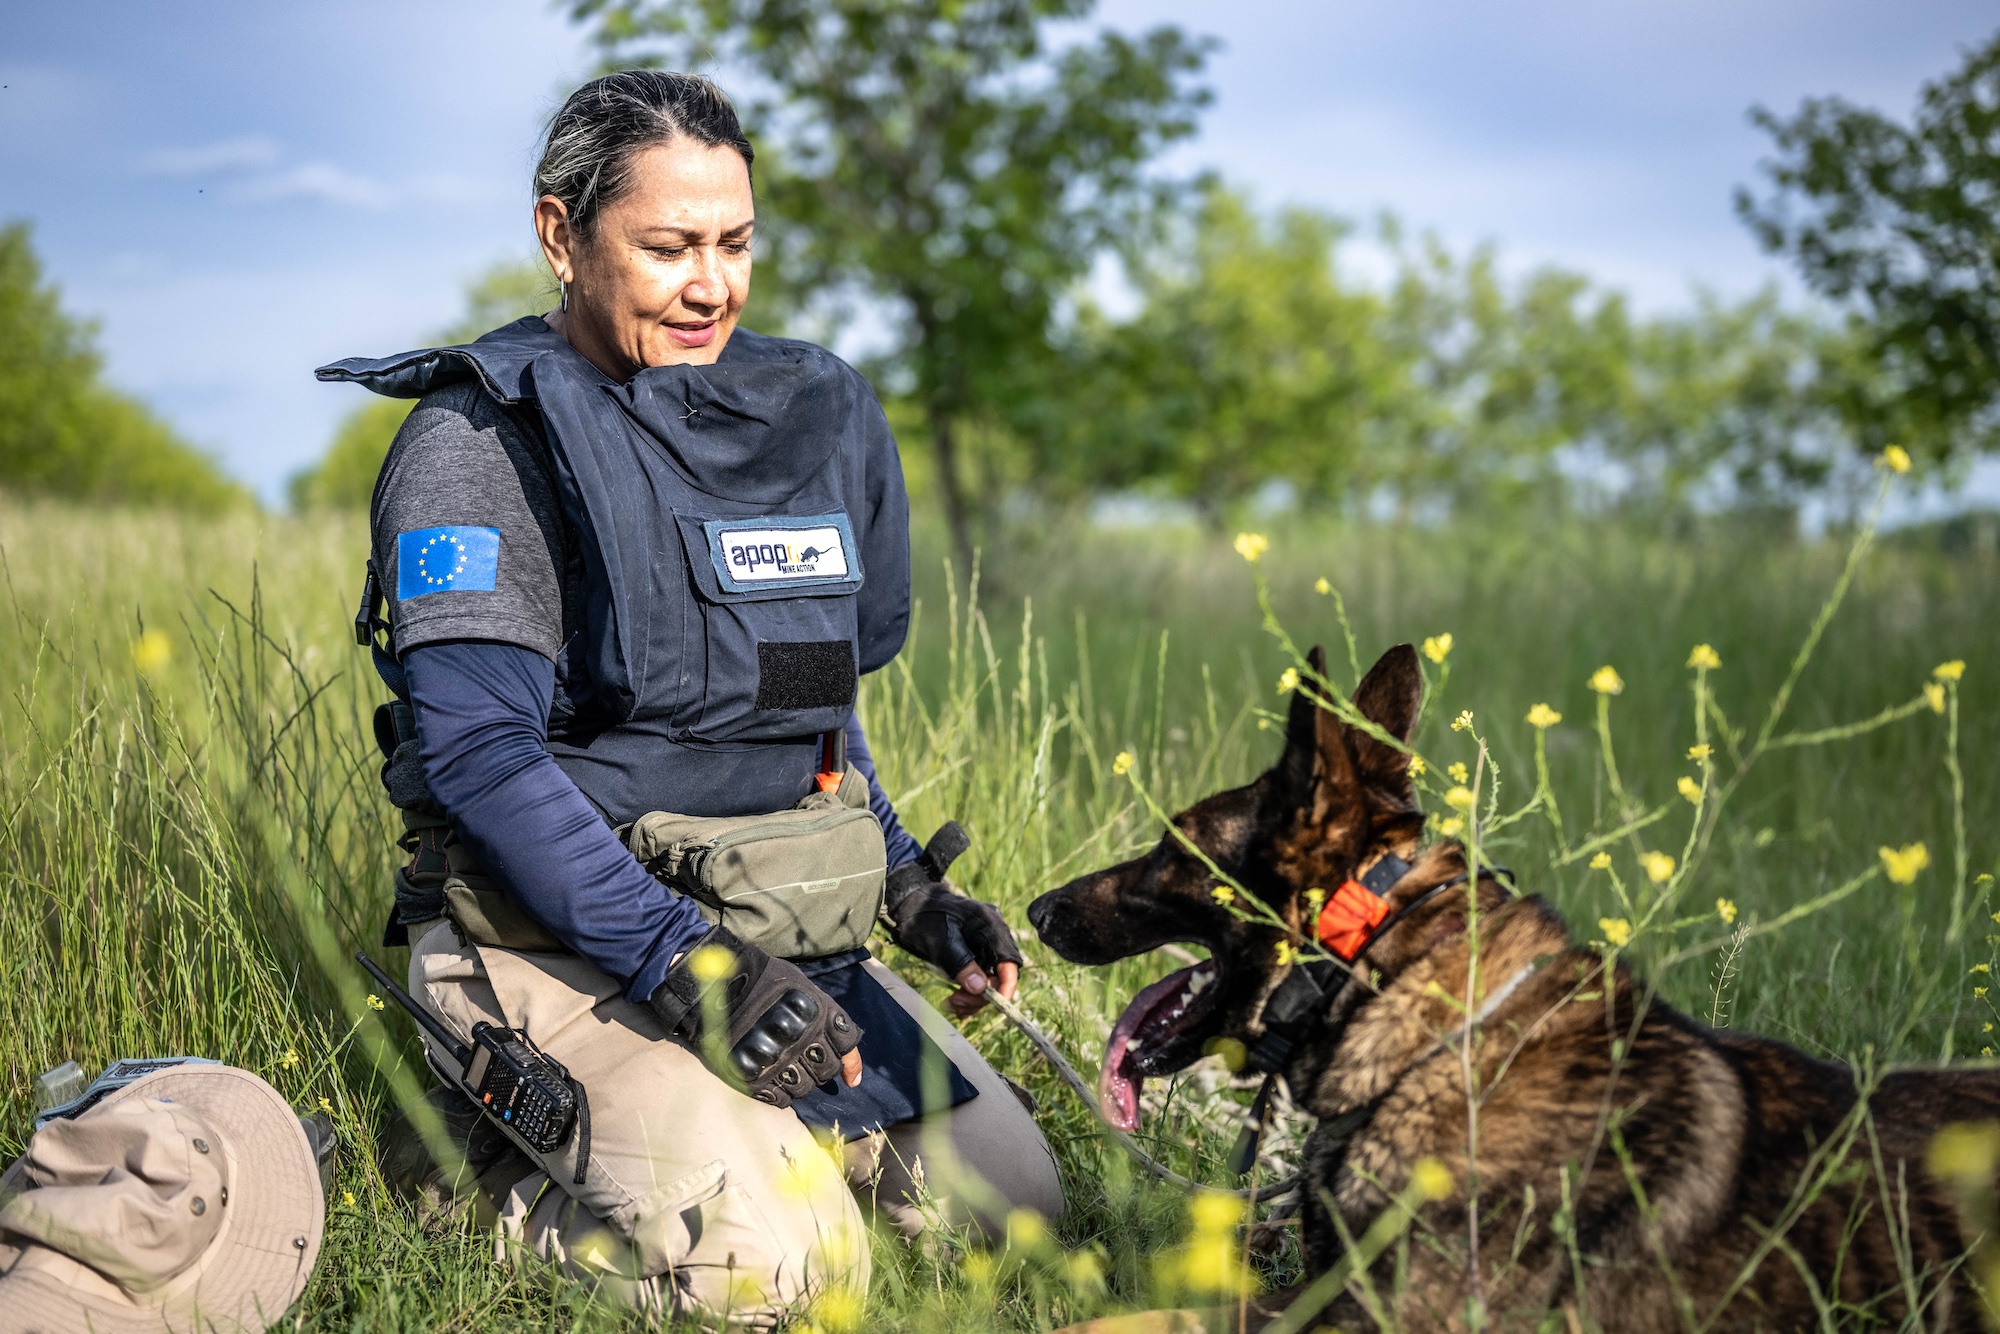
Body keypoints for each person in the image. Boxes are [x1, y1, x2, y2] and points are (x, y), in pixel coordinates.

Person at [317, 70, 1063, 1325]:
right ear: (560, 235)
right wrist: (687, 966)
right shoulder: (479, 447)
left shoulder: (798, 416)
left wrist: (910, 889)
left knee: (1013, 1216)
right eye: (666, 247)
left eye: (734, 244)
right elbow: (483, 761)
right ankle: (459, 1173)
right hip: (549, 939)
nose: (709, 284)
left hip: (768, 938)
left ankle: (746, 1143)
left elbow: (811, 712)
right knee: (779, 1273)